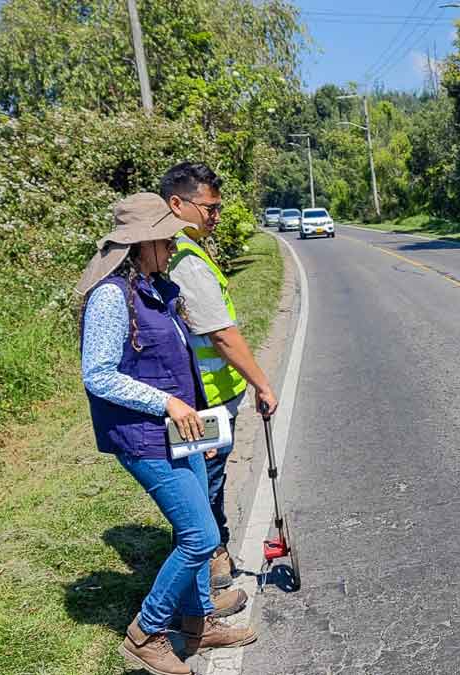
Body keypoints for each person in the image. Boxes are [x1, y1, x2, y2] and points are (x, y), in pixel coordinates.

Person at [77, 192, 257, 675]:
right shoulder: (112, 297)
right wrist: (168, 403)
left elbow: (178, 358)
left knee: (197, 526)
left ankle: (198, 624)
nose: (173, 246)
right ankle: (146, 632)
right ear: (141, 245)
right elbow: (98, 375)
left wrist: (198, 417)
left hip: (182, 431)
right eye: (165, 239)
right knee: (200, 536)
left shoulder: (156, 287)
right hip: (145, 437)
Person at [159, 162, 279, 591]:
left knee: (206, 480)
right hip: (204, 397)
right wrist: (262, 383)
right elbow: (223, 335)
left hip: (206, 392)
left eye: (218, 207)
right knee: (204, 485)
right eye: (209, 208)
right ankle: (206, 570)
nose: (216, 216)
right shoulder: (185, 259)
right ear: (177, 204)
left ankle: (212, 554)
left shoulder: (184, 248)